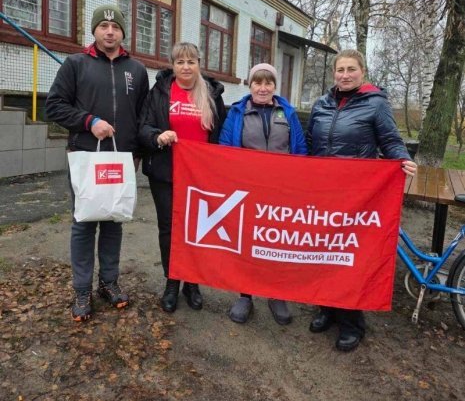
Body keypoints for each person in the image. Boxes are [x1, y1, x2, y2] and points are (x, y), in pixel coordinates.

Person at [307, 48, 417, 351]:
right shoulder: (321, 104)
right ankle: (326, 308)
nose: (345, 75)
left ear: (362, 72)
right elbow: (309, 143)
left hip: (355, 196)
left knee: (347, 258)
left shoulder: (376, 103)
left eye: (351, 69)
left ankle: (351, 322)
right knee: (321, 252)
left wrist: (402, 159)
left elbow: (390, 140)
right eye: (340, 70)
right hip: (322, 193)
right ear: (334, 73)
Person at [45, 5, 149, 322]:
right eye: (103, 26)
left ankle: (108, 283)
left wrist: (137, 152)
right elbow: (54, 106)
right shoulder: (76, 64)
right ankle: (82, 290)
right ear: (94, 31)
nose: (109, 31)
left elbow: (142, 116)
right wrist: (88, 121)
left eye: (115, 27)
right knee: (84, 223)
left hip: (122, 159)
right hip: (86, 157)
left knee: (114, 221)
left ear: (122, 32)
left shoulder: (137, 70)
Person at [139, 42, 226, 313]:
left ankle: (192, 282)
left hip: (200, 177)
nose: (186, 67)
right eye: (180, 62)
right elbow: (143, 126)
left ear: (199, 64)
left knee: (196, 230)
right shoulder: (160, 91)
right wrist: (157, 136)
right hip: (166, 173)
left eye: (191, 61)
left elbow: (221, 134)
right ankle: (172, 281)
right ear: (173, 65)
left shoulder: (211, 94)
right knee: (169, 229)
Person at [219, 62, 308, 325]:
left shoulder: (288, 113)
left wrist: (296, 184)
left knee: (276, 242)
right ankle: (245, 294)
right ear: (250, 85)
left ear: (274, 86)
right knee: (246, 241)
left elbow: (300, 150)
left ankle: (275, 293)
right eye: (257, 82)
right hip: (247, 190)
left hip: (280, 191)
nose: (263, 88)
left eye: (268, 82)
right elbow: (224, 148)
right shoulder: (237, 112)